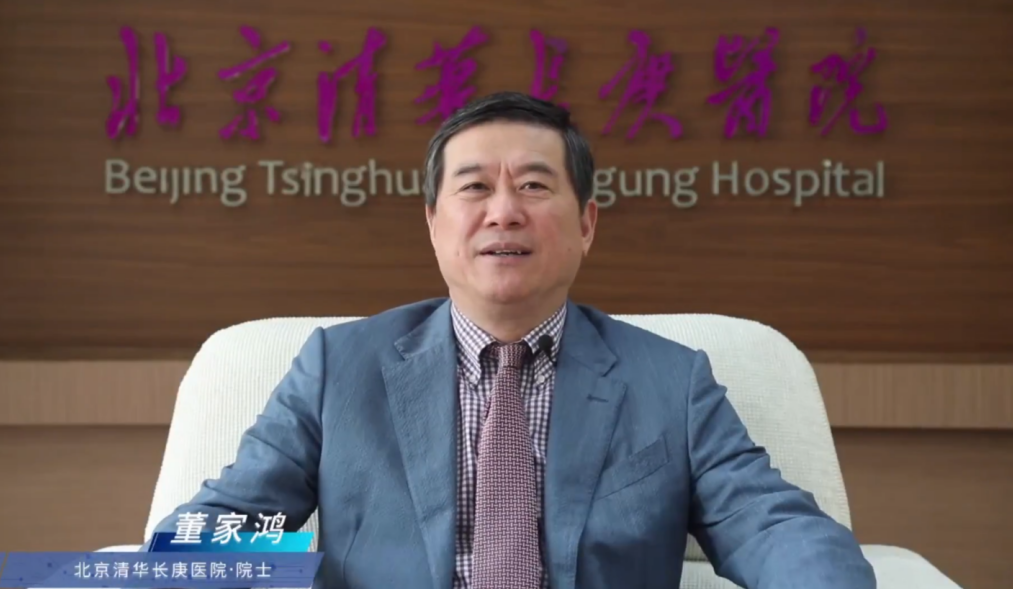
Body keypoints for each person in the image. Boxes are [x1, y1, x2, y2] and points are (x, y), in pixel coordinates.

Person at [148, 91, 877, 589]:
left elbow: (769, 525)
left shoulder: (671, 381)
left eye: (533, 186)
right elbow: (226, 524)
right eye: (473, 188)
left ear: (586, 223)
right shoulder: (339, 368)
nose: (503, 212)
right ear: (433, 223)